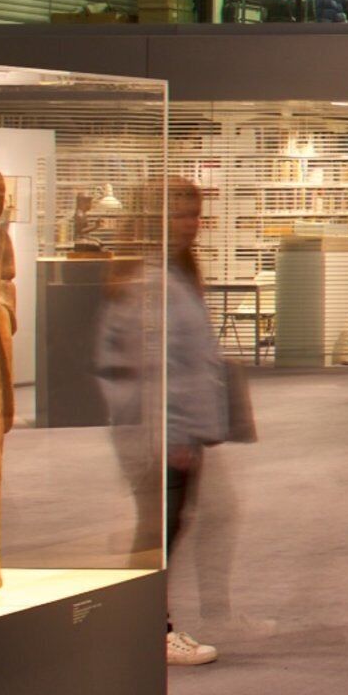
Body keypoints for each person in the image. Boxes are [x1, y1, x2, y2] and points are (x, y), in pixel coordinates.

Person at [103, 175, 234, 667]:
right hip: (159, 431)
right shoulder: (146, 281)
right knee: (159, 526)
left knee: (172, 523)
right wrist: (169, 432)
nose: (191, 225)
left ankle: (145, 621)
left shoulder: (175, 274)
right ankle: (150, 627)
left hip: (176, 428)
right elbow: (144, 368)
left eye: (195, 214)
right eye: (180, 214)